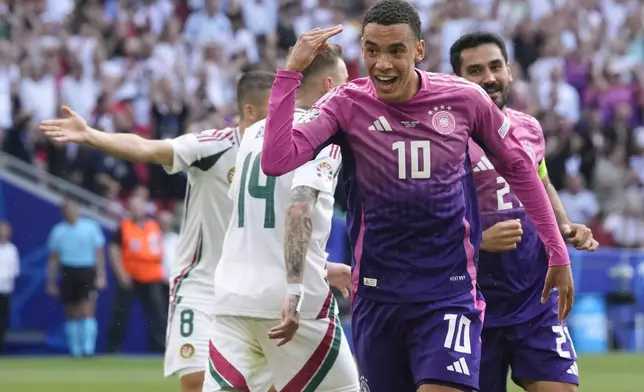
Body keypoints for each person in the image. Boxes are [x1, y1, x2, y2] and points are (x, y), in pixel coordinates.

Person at [259, 1, 574, 391]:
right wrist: (290, 72)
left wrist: (557, 250)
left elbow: (521, 169)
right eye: (372, 50)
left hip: (449, 293)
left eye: (396, 51)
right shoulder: (345, 103)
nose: (383, 64)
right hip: (377, 297)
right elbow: (276, 160)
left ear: (419, 51)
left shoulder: (463, 99)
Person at [40, 71, 277, 392]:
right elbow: (146, 147)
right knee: (195, 380)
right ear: (250, 110)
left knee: (265, 383)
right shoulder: (212, 147)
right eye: (277, 104)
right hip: (202, 284)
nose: (286, 112)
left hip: (256, 288)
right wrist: (93, 135)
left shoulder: (289, 156)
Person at [449, 31, 599, 392]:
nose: (489, 77)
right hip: (473, 303)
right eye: (475, 70)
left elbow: (542, 183)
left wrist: (563, 225)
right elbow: (423, 212)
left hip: (535, 295)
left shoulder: (528, 127)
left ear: (510, 70)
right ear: (458, 80)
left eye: (495, 66)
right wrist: (478, 239)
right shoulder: (446, 137)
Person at [205, 44, 359, 392]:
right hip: (292, 303)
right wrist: (294, 288)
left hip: (233, 299)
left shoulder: (253, 133)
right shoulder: (323, 133)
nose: (349, 91)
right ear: (328, 85)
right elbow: (299, 206)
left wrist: (319, 267)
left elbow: (260, 220)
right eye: (345, 82)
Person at [106, 195, 167, 354]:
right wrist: (121, 274)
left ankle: (159, 350)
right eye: (133, 207)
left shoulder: (153, 226)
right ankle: (113, 349)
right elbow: (114, 250)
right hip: (130, 276)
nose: (136, 210)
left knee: (157, 316)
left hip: (152, 276)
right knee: (120, 314)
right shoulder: (124, 226)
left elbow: (161, 250)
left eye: (139, 206)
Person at [46, 200, 106, 357]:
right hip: (68, 270)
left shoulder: (90, 227)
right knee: (71, 311)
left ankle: (88, 348)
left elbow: (99, 254)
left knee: (87, 309)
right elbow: (54, 259)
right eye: (66, 210)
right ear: (62, 213)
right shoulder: (58, 231)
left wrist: (101, 275)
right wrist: (50, 280)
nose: (70, 212)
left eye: (72, 209)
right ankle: (75, 349)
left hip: (86, 269)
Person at [0, 221, 19, 355]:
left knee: (3, 321)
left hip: (6, 290)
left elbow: (15, 270)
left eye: (5, 230)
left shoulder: (12, 249)